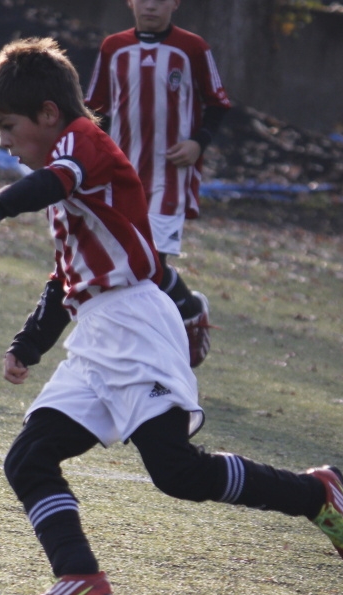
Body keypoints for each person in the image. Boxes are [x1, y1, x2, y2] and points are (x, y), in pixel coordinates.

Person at [0, 38, 343, 595]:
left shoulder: (83, 145)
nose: (2, 141)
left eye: (7, 126)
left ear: (48, 114)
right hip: (97, 334)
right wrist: (29, 344)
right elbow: (68, 277)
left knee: (177, 473)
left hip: (137, 325)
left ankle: (314, 494)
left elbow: (54, 183)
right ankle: (78, 577)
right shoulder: (64, 181)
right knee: (28, 457)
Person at [84, 0, 232, 367]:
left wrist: (198, 142)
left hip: (169, 174)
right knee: (126, 261)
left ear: (176, 3)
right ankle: (182, 313)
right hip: (120, 176)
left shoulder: (192, 48)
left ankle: (181, 318)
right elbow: (95, 110)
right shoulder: (113, 47)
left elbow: (218, 103)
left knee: (150, 264)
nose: (151, 4)